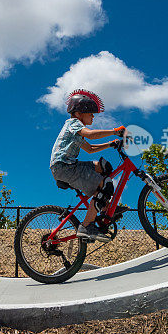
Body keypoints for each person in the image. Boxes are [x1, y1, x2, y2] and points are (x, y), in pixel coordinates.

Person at [49, 89, 126, 242]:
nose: (93, 116)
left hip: (67, 166)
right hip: (64, 167)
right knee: (107, 185)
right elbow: (90, 134)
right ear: (78, 113)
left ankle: (105, 208)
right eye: (90, 113)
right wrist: (114, 131)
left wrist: (110, 144)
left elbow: (90, 149)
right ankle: (87, 226)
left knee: (104, 166)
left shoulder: (76, 131)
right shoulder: (73, 123)